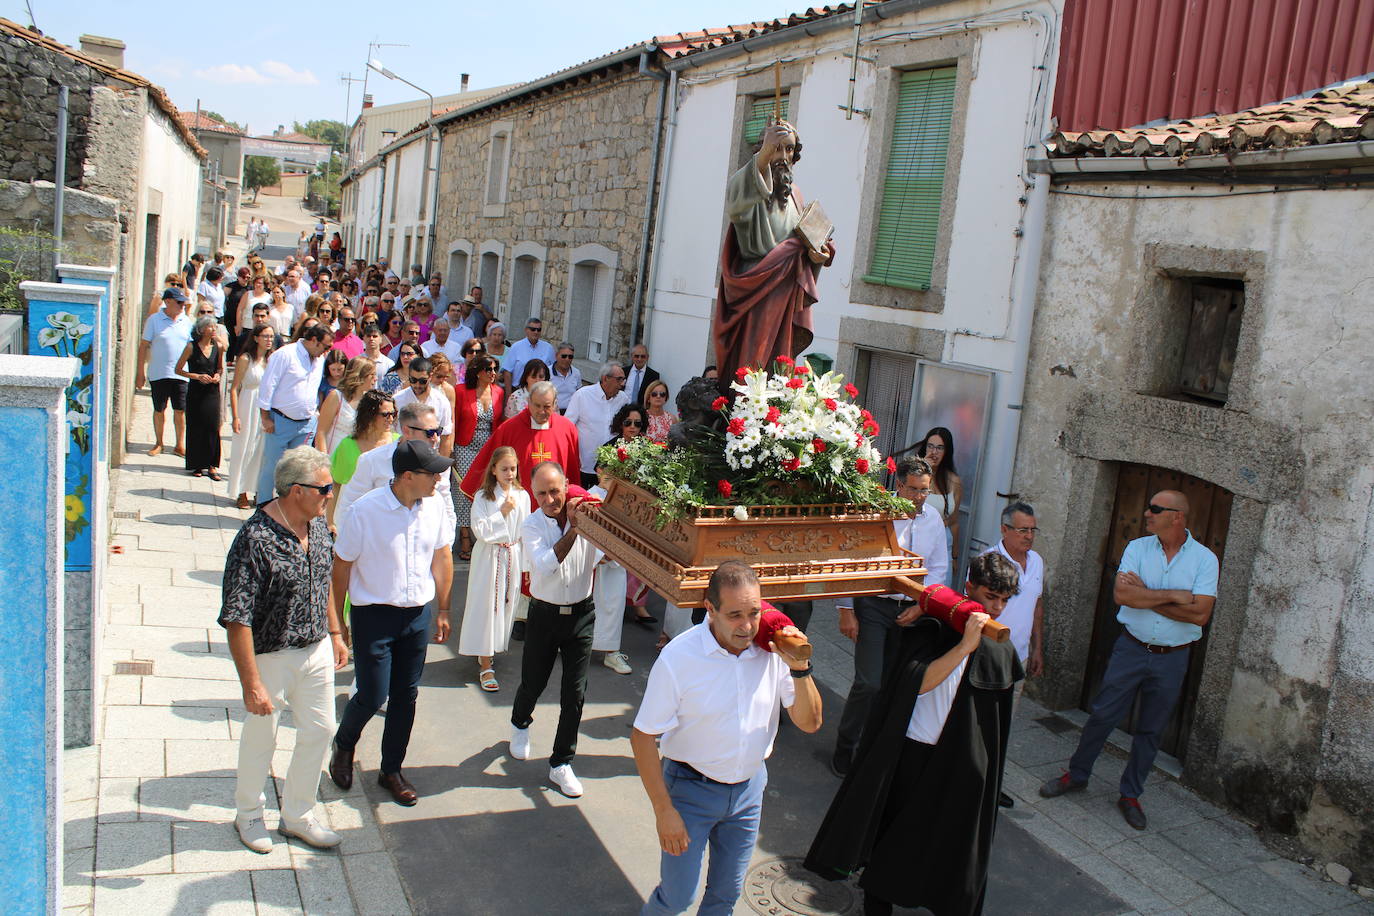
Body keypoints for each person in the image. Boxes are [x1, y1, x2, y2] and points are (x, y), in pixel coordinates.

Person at [805, 553, 1022, 916]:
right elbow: (917, 685)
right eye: (990, 597)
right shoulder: (931, 628)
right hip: (910, 751)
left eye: (1004, 600)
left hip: (955, 761)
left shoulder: (1000, 648)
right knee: (886, 832)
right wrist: (964, 647)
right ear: (969, 588)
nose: (996, 608)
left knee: (943, 843)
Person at [633, 561, 821, 915]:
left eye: (754, 613)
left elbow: (810, 723)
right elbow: (643, 737)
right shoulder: (679, 657)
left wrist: (800, 669)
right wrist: (663, 811)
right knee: (677, 897)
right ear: (710, 608)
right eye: (735, 615)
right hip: (689, 791)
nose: (747, 626)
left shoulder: (772, 651)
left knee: (725, 895)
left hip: (749, 792)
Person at [1039, 490, 1217, 831]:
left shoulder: (1205, 560)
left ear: (1177, 516)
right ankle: (1077, 775)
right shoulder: (1137, 548)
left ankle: (1131, 795)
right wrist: (1175, 596)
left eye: (1155, 509)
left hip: (1172, 658)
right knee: (1102, 715)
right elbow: (1122, 595)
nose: (1147, 513)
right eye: (1148, 506)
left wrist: (1145, 596)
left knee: (1151, 729)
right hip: (1131, 649)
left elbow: (1200, 615)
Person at [220, 446, 349, 854]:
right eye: (324, 488)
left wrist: (335, 632)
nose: (330, 493)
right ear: (297, 491)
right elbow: (237, 617)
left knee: (321, 731)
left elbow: (323, 580)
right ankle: (248, 815)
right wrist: (251, 684)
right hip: (271, 655)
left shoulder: (319, 526)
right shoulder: (255, 539)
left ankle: (297, 815)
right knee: (263, 737)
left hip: (316, 649)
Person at [328, 440, 455, 807]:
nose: (438, 479)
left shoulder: (434, 508)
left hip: (416, 616)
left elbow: (443, 556)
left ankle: (391, 770)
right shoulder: (364, 511)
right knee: (372, 694)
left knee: (405, 695)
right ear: (407, 476)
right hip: (374, 616)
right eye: (432, 473)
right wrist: (337, 626)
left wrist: (443, 608)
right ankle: (344, 745)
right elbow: (341, 567)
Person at [830, 456, 950, 777]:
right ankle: (846, 746)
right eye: (914, 490)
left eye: (925, 491)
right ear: (899, 485)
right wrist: (846, 609)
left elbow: (938, 567)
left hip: (912, 610)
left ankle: (874, 748)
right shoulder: (878, 512)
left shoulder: (933, 520)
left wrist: (923, 605)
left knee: (893, 684)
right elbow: (851, 562)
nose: (920, 497)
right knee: (869, 682)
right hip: (873, 606)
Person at [715, 120, 834, 389]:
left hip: (786, 287)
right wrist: (763, 155)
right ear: (763, 149)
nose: (783, 156)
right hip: (757, 286)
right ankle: (746, 405)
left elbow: (805, 239)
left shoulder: (795, 195)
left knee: (779, 361)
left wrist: (816, 256)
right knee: (754, 357)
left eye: (789, 149)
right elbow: (736, 198)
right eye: (776, 148)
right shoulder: (750, 186)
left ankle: (773, 403)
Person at [508, 462, 604, 798]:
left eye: (555, 491)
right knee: (533, 682)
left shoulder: (588, 515)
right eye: (542, 494)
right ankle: (520, 724)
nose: (550, 499)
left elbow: (608, 552)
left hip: (581, 615)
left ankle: (561, 762)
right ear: (533, 495)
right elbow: (546, 565)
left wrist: (592, 524)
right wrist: (575, 530)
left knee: (574, 694)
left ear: (567, 485)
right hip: (544, 615)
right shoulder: (531, 525)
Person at [457, 446, 529, 692]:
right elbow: (480, 531)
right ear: (494, 470)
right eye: (504, 469)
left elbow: (525, 531)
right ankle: (486, 665)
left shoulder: (522, 495)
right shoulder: (483, 497)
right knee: (487, 606)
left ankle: (489, 649)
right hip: (489, 558)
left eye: (513, 468)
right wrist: (502, 512)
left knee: (505, 605)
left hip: (512, 555)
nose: (510, 473)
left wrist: (527, 565)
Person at [460, 381, 580, 505]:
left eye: (547, 406)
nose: (541, 411)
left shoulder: (567, 429)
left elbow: (572, 470)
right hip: (517, 505)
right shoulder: (509, 429)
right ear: (528, 401)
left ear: (555, 404)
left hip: (554, 504)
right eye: (537, 405)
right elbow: (489, 462)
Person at [255, 324, 334, 505]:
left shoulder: (319, 359)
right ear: (314, 340)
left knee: (298, 472)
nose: (327, 351)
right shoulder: (285, 354)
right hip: (280, 421)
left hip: (306, 423)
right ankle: (263, 507)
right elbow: (267, 386)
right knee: (272, 468)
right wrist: (265, 418)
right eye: (326, 346)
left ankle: (290, 510)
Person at [453, 355, 504, 560]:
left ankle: (481, 531)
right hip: (465, 446)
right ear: (478, 372)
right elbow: (455, 420)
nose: (493, 373)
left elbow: (498, 423)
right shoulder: (461, 391)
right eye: (488, 369)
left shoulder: (499, 392)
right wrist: (452, 449)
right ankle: (465, 535)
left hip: (488, 448)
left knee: (484, 489)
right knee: (464, 490)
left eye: (495, 369)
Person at [327, 390, 396, 532]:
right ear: (369, 415)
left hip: (387, 521)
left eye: (393, 414)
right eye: (385, 414)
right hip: (352, 520)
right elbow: (336, 485)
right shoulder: (347, 445)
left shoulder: (398, 444)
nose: (391, 419)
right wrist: (330, 522)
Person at [137, 287, 193, 457]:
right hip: (159, 372)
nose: (182, 306)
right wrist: (140, 372)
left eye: (184, 303)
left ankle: (179, 445)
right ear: (167, 301)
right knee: (159, 409)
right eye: (179, 302)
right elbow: (143, 346)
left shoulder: (186, 321)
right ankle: (159, 443)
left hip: (181, 374)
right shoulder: (154, 320)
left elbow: (192, 347)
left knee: (180, 410)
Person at [228, 323, 276, 509]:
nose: (269, 340)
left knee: (261, 449)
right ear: (256, 338)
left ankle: (257, 489)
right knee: (244, 448)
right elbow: (234, 388)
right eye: (265, 336)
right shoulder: (245, 359)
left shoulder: (271, 359)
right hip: (248, 403)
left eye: (271, 336)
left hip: (265, 406)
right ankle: (241, 491)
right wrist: (235, 416)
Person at [175, 316, 225, 479]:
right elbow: (178, 369)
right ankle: (197, 463)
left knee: (212, 426)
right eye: (210, 327)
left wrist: (217, 376)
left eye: (214, 326)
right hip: (196, 391)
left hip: (212, 392)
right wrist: (197, 376)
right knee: (196, 426)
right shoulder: (191, 347)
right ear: (201, 329)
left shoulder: (218, 346)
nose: (214, 329)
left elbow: (219, 368)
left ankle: (212, 465)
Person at [564, 363, 628, 488]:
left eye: (623, 379)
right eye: (619, 379)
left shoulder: (623, 399)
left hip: (611, 469)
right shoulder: (582, 395)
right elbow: (567, 427)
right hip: (585, 465)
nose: (622, 384)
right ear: (605, 378)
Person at [918, 426, 963, 563]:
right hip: (918, 541)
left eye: (940, 448)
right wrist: (923, 468)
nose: (934, 452)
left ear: (947, 451)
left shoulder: (954, 481)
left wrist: (955, 557)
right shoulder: (916, 475)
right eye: (930, 446)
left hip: (943, 545)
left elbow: (954, 522)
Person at [394, 357, 454, 457]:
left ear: (430, 376)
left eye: (422, 381)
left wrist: (442, 466)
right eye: (413, 380)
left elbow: (446, 437)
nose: (417, 385)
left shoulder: (442, 402)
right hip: (403, 456)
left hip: (431, 456)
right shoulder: (397, 400)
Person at [316, 357, 375, 457]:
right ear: (360, 376)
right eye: (372, 375)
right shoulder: (336, 396)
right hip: (334, 457)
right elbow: (321, 432)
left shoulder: (369, 400)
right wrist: (324, 460)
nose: (375, 378)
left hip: (357, 459)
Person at [503, 317, 556, 391]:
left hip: (541, 391)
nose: (536, 332)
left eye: (538, 330)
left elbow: (554, 371)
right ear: (526, 330)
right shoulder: (516, 347)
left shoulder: (548, 348)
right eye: (533, 329)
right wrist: (508, 393)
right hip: (519, 390)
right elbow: (507, 372)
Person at [549, 342, 581, 411]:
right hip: (553, 412)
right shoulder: (548, 372)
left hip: (572, 412)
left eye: (570, 357)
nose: (567, 359)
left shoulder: (576, 373)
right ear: (556, 356)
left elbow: (579, 394)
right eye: (564, 356)